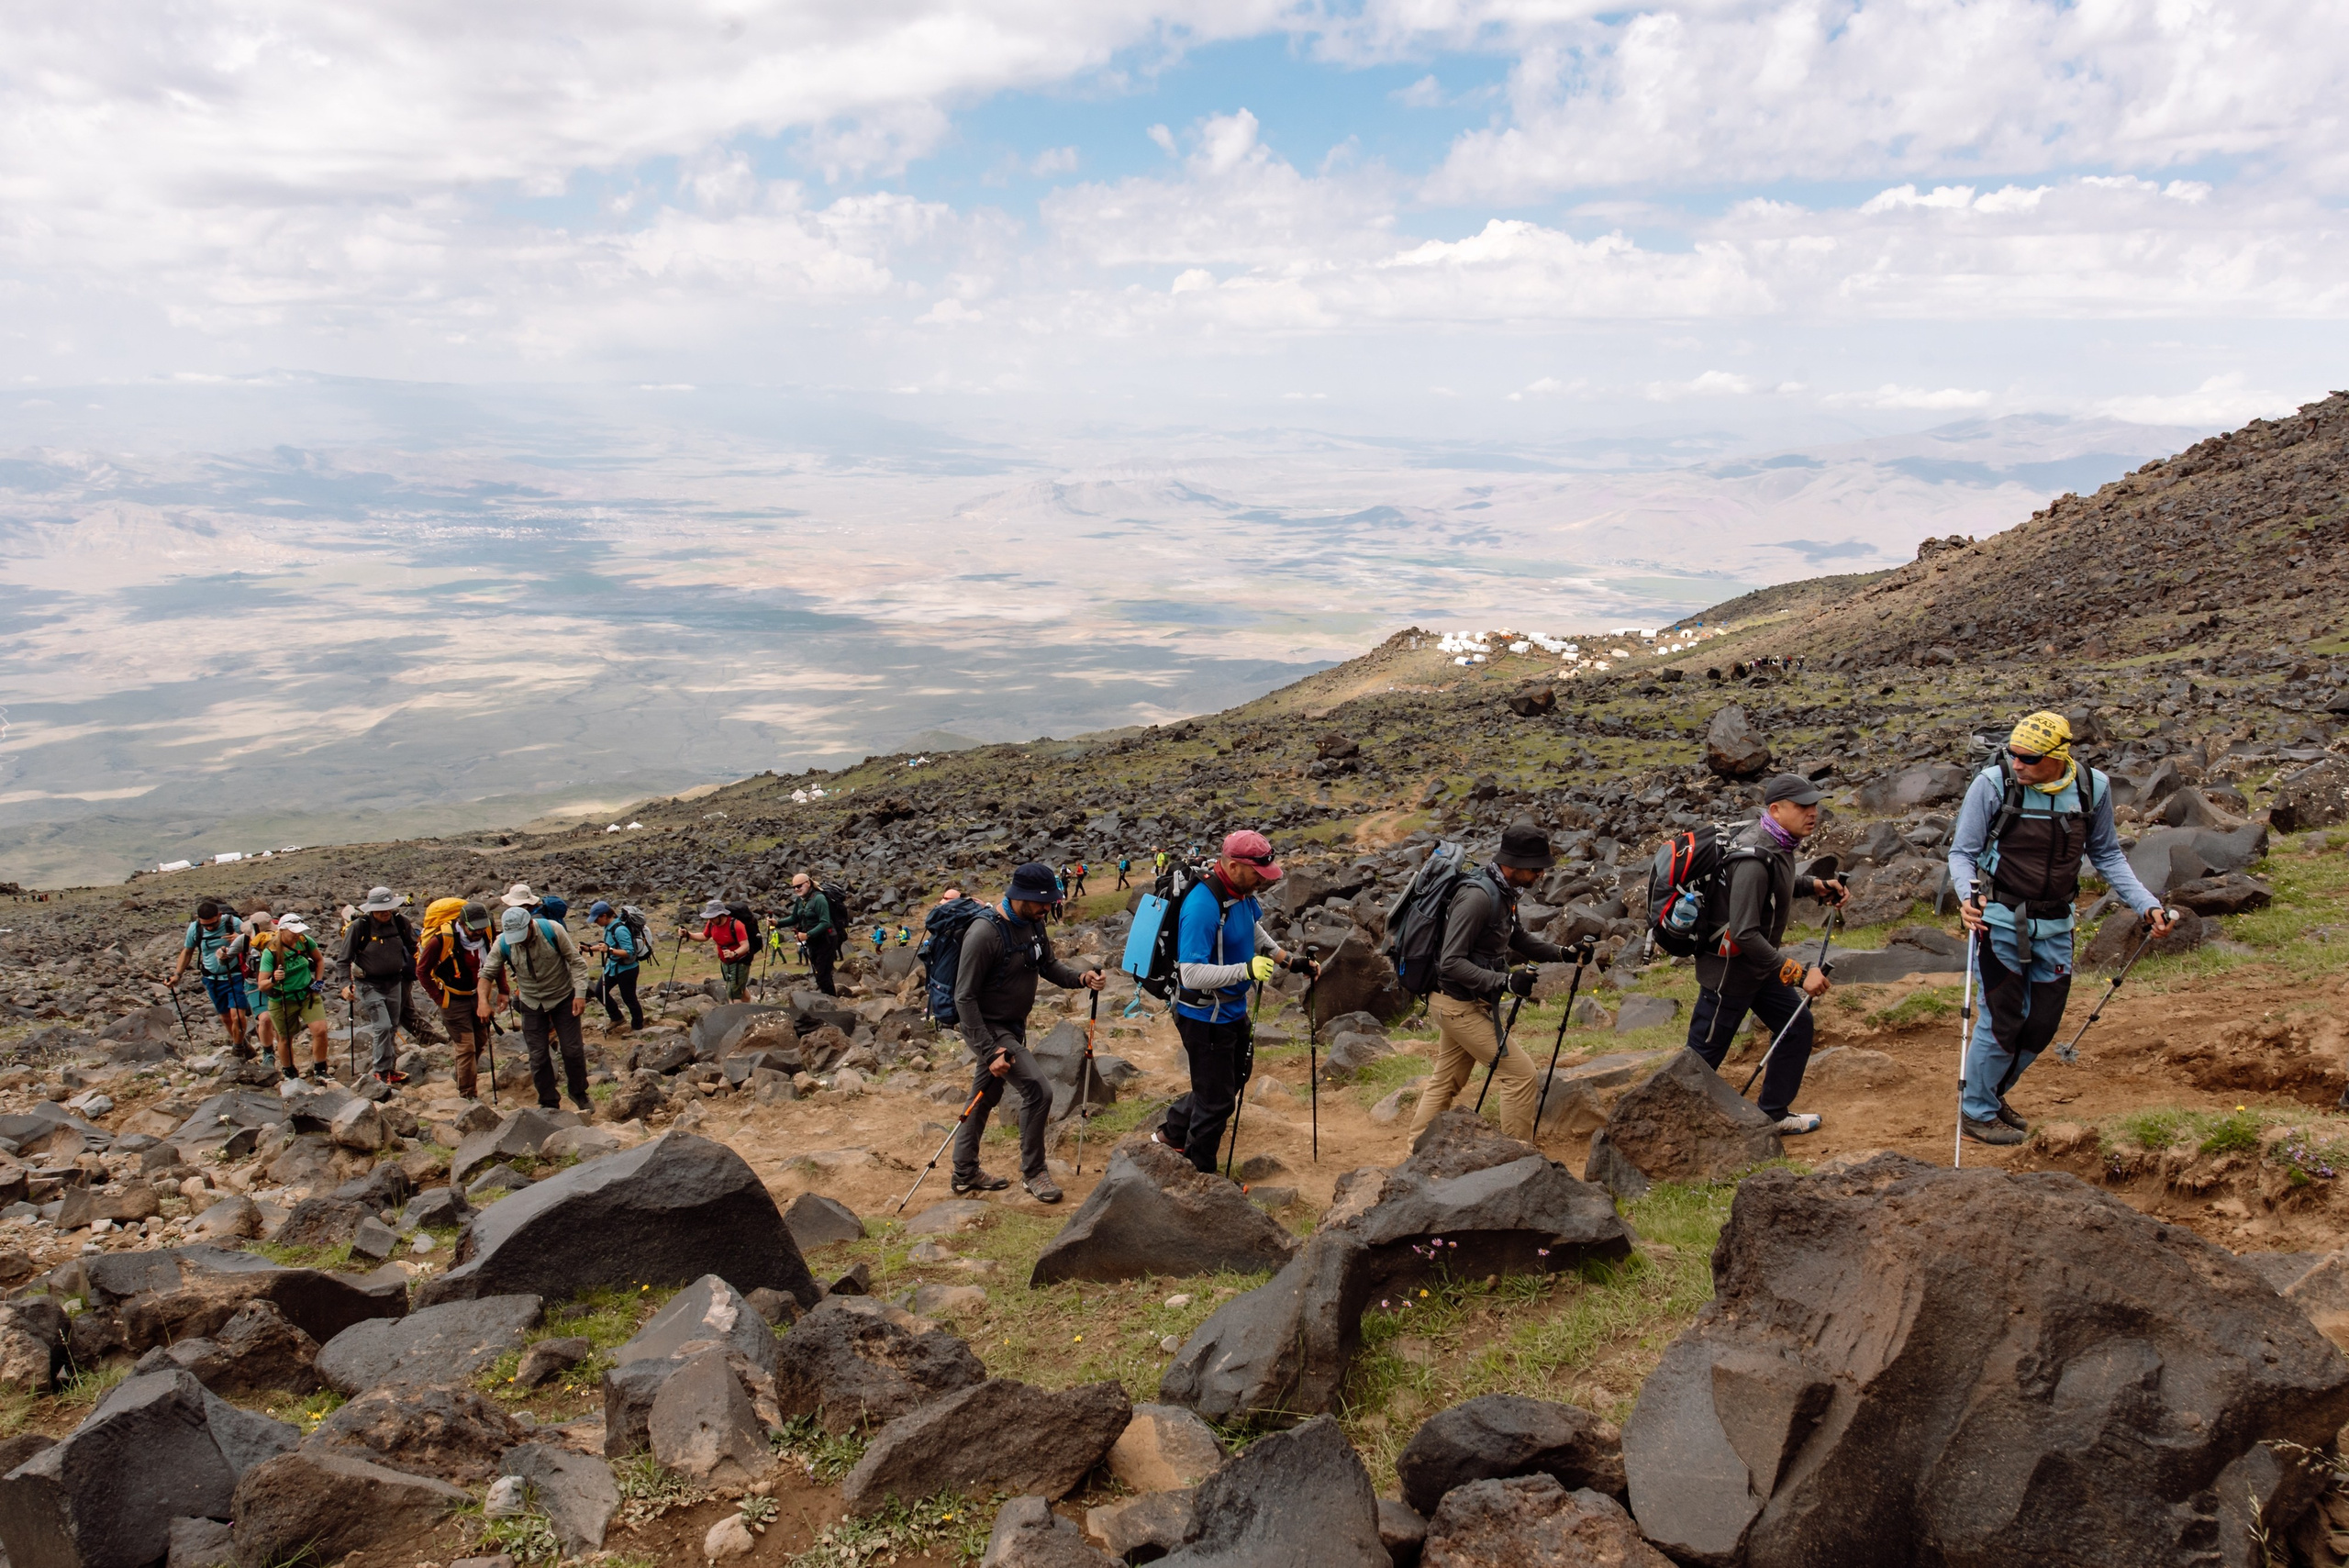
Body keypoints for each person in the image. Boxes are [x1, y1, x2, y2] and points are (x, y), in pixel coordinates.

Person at [1949, 711, 2172, 1146]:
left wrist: (2146, 904)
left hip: (2056, 924)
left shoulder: (2093, 789)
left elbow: (2107, 855)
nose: (2016, 764)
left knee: (2042, 1025)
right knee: (2002, 1019)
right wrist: (1968, 896)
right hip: (1998, 920)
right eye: (2012, 754)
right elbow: (1963, 852)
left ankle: (1991, 1095)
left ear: (2058, 755)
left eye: (2028, 758)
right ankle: (1976, 1111)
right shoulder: (1992, 785)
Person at [1684, 777, 1847, 1135]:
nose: (1813, 813)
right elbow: (1744, 933)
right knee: (1699, 1063)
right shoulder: (1755, 858)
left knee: (1796, 1026)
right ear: (1775, 810)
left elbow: (1779, 883)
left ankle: (1773, 1113)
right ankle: (1671, 1131)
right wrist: (1798, 973)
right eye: (1803, 806)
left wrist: (1815, 885)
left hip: (1758, 970)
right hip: (1728, 976)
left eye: (1815, 805)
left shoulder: (1779, 843)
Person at [1408, 819, 1581, 1143]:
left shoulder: (1504, 891)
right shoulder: (1477, 898)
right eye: (1535, 867)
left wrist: (1564, 953)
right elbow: (1450, 962)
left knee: (1447, 1080)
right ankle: (1518, 1158)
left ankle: (1415, 1151)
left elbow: (1518, 937)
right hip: (1455, 1004)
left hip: (1464, 1000)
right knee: (1520, 1075)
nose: (1541, 874)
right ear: (1513, 863)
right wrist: (1505, 982)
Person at [1156, 830, 1318, 1173]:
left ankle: (1172, 1131)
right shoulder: (1201, 906)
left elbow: (1253, 931)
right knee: (1217, 1101)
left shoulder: (1241, 894)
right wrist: (1244, 970)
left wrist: (1290, 960)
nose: (1263, 880)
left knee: (1233, 1078)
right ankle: (1201, 1174)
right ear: (1232, 865)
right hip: (1203, 1018)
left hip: (1231, 1010)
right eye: (1258, 874)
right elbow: (1191, 974)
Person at [950, 862, 1106, 1203]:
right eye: (1043, 901)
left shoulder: (1034, 924)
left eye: (1051, 901)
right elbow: (964, 997)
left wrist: (1080, 979)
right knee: (1039, 1091)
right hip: (992, 1030)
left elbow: (1047, 964)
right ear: (1019, 896)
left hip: (1013, 1027)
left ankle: (964, 1170)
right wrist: (990, 1050)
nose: (1048, 907)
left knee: (984, 1097)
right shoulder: (984, 934)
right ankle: (1034, 1173)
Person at [479, 904, 592, 1114]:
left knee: (572, 1050)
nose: (520, 940)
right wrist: (483, 1002)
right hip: (531, 1001)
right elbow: (487, 974)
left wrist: (580, 994)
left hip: (563, 996)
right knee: (538, 1055)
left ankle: (579, 1093)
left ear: (530, 924)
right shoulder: (503, 942)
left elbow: (576, 962)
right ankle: (548, 1102)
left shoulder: (552, 930)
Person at [417, 900, 499, 1097]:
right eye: (474, 929)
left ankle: (462, 1073)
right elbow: (422, 971)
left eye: (482, 928)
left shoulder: (487, 935)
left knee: (480, 1041)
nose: (478, 932)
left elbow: (496, 960)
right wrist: (438, 998)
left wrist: (502, 989)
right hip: (452, 1000)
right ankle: (468, 1093)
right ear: (461, 924)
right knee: (466, 1047)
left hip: (479, 996)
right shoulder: (441, 940)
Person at [339, 886, 417, 1085]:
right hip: (368, 984)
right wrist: (346, 984)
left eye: (388, 908)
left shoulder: (400, 922)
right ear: (371, 909)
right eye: (381, 909)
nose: (385, 912)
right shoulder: (359, 927)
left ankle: (388, 1069)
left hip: (394, 981)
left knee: (392, 1027)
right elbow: (343, 960)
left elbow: (413, 947)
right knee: (382, 1026)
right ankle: (380, 1072)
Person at [168, 900, 251, 1055]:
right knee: (225, 1017)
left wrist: (240, 938)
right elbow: (187, 951)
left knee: (238, 1016)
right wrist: (177, 975)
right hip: (212, 979)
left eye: (213, 924)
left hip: (235, 975)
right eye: (206, 925)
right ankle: (242, 1043)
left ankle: (238, 1048)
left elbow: (254, 940)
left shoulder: (233, 922)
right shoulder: (195, 929)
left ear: (219, 916)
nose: (210, 928)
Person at [258, 914, 332, 1081]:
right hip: (282, 1000)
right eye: (293, 932)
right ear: (282, 930)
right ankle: (289, 1071)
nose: (297, 935)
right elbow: (262, 985)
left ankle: (320, 1070)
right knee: (285, 1038)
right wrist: (274, 979)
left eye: (299, 931)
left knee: (320, 1030)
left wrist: (319, 982)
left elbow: (319, 960)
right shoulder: (270, 953)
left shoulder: (305, 941)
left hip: (307, 995)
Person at [584, 901, 645, 1032]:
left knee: (629, 998)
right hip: (613, 968)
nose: (595, 923)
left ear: (605, 916)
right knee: (600, 992)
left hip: (627, 970)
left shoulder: (620, 929)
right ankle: (617, 1017)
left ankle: (638, 1026)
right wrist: (589, 948)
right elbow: (606, 946)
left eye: (596, 919)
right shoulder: (609, 927)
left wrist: (610, 951)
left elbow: (629, 952)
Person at [685, 898, 753, 1000]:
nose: (710, 919)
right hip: (725, 963)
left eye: (713, 917)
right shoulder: (711, 923)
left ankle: (735, 1015)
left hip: (740, 962)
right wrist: (688, 934)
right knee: (738, 989)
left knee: (732, 994)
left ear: (721, 915)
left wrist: (733, 953)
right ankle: (751, 1008)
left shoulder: (737, 925)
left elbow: (745, 946)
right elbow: (704, 936)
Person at [786, 873, 840, 995]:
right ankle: (829, 998)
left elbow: (825, 922)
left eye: (799, 886)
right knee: (819, 974)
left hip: (827, 940)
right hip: (814, 941)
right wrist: (777, 923)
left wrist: (807, 935)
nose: (796, 889)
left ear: (808, 883)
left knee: (822, 975)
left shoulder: (819, 899)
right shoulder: (800, 900)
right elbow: (794, 917)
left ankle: (832, 1002)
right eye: (794, 887)